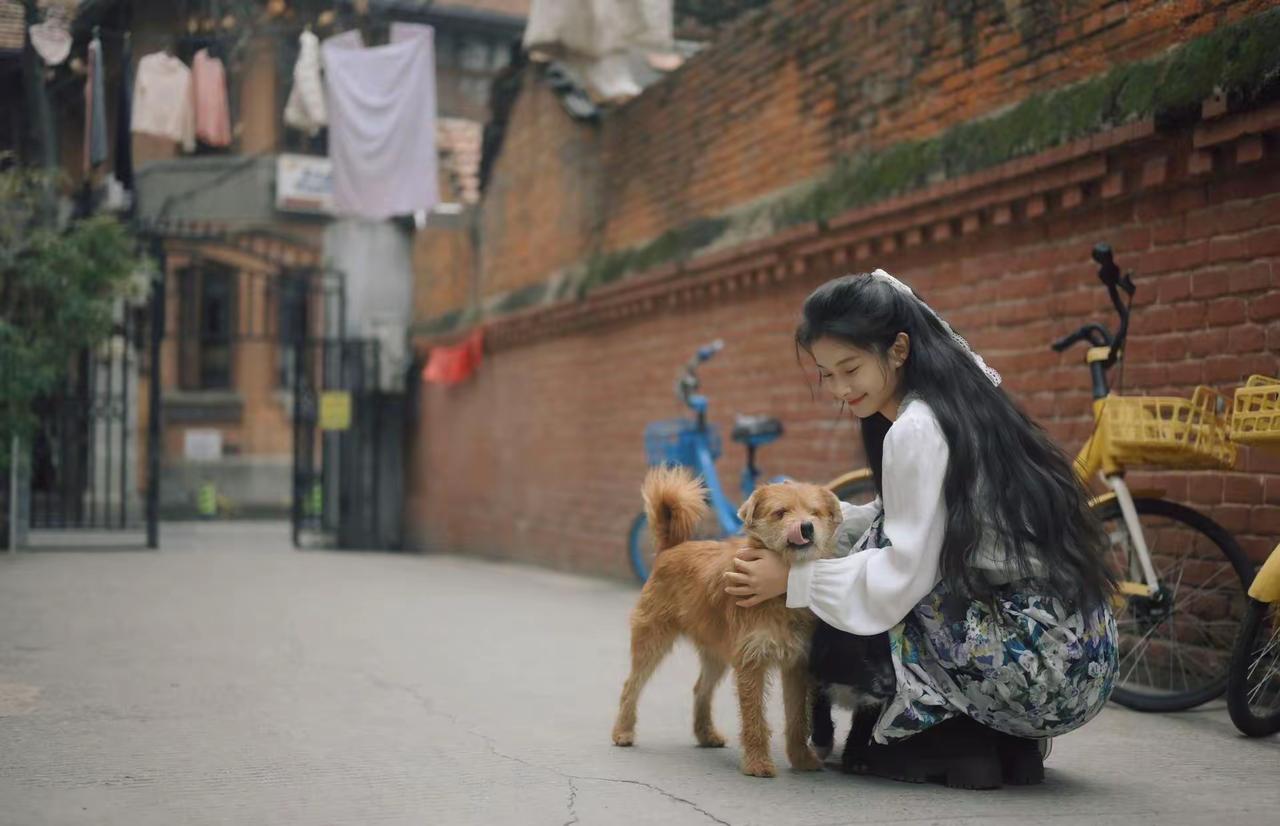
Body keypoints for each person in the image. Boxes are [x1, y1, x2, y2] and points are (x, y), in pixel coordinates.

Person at [724, 269, 1118, 788]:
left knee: (859, 592)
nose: (841, 390)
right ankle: (1001, 742)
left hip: (1028, 672)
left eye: (850, 368)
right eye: (827, 375)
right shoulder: (966, 404)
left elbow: (903, 571)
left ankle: (941, 743)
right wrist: (818, 518)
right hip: (1079, 660)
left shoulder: (914, 429)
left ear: (899, 349)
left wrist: (792, 581)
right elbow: (903, 515)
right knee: (874, 551)